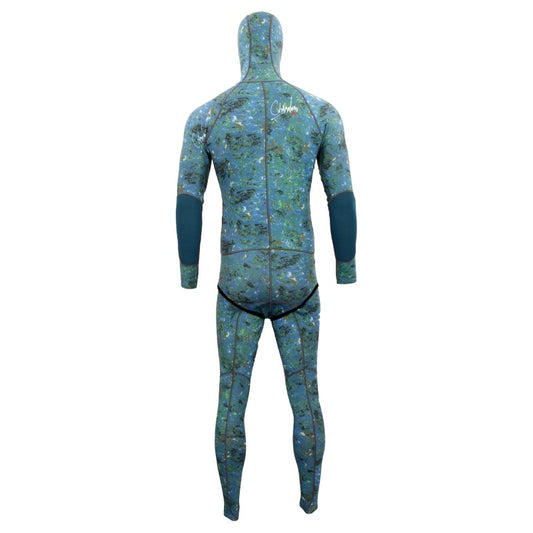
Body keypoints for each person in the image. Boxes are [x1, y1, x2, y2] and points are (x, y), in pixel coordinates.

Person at [176, 11, 357, 520]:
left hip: (238, 282)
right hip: (300, 280)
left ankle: (231, 507)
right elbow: (341, 196)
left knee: (231, 398)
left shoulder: (207, 116)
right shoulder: (319, 112)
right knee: (306, 397)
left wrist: (189, 272)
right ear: (279, 46)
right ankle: (310, 502)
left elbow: (188, 201)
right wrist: (346, 266)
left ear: (241, 48)